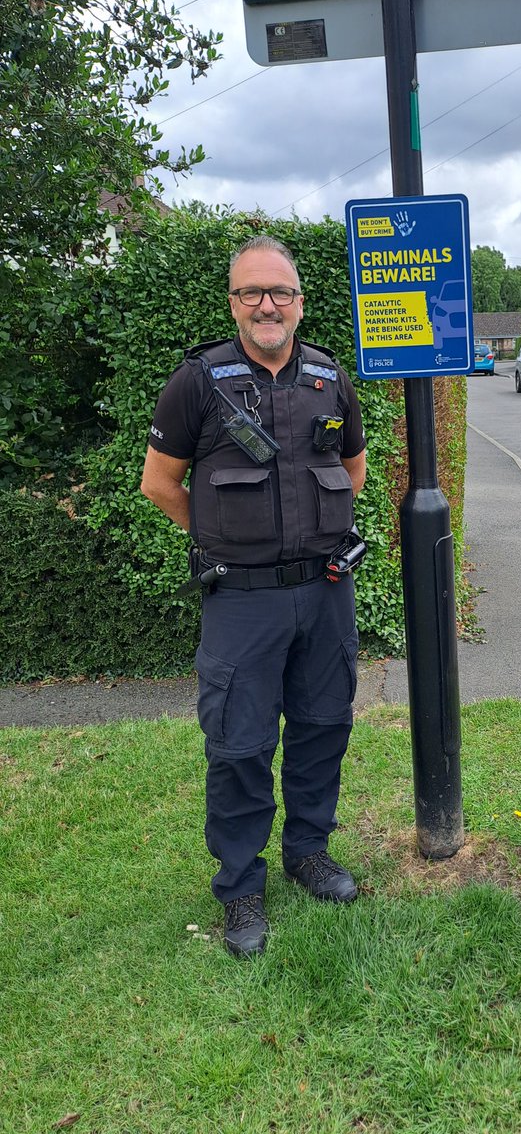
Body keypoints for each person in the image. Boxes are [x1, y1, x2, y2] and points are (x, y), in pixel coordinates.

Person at [141, 235, 367, 957]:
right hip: (242, 603)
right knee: (238, 745)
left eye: (281, 293)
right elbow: (159, 483)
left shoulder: (330, 378)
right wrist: (224, 539)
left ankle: (308, 851)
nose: (268, 305)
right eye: (252, 293)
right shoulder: (198, 382)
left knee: (323, 726)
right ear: (233, 302)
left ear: (301, 303)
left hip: (325, 592)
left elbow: (353, 470)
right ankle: (241, 886)